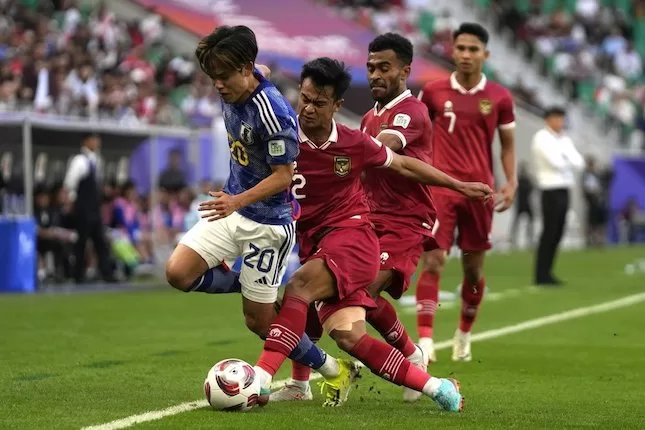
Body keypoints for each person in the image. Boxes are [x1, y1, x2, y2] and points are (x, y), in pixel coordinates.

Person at [201, 57, 491, 410]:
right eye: (304, 99)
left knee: (299, 288)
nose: (307, 108)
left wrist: (459, 185)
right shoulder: (283, 138)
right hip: (314, 244)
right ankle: (438, 388)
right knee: (349, 336)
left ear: (337, 105)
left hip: (353, 238)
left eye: (318, 103)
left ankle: (260, 378)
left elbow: (403, 164)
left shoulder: (354, 143)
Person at [164, 25, 353, 403]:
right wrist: (234, 202)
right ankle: (252, 286)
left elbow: (284, 176)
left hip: (268, 224)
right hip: (232, 207)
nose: (217, 85)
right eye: (212, 76)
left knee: (259, 322)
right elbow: (261, 68)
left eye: (224, 76)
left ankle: (334, 369)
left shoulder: (275, 115)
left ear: (244, 68)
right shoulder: (245, 75)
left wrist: (236, 201)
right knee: (177, 273)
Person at [269, 33, 436, 404]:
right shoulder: (367, 118)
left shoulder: (412, 111)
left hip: (403, 221)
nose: (375, 74)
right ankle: (300, 383)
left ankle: (411, 355)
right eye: (371, 67)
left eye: (384, 68)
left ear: (405, 71)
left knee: (358, 291)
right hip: (365, 218)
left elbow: (384, 151)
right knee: (314, 291)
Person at [417, 22, 517, 362]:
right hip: (440, 188)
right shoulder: (433, 92)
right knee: (433, 259)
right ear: (453, 51)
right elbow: (417, 134)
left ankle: (463, 333)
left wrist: (511, 180)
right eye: (460, 48)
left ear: (485, 55)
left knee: (473, 270)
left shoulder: (500, 97)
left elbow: (507, 145)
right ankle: (426, 340)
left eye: (473, 49)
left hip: (479, 192)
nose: (465, 55)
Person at [532, 106, 584, 285]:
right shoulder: (542, 138)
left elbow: (579, 162)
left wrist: (565, 158)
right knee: (550, 231)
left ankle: (549, 271)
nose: (561, 122)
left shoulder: (564, 139)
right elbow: (555, 163)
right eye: (557, 118)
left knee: (558, 232)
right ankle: (541, 274)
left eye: (562, 119)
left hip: (564, 188)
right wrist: (566, 158)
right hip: (550, 189)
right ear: (548, 119)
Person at [63, 133, 116, 284]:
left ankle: (106, 273)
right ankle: (77, 274)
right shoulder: (79, 160)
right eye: (94, 140)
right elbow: (70, 183)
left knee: (100, 241)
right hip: (83, 207)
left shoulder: (97, 160)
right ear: (86, 141)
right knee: (82, 242)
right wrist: (73, 203)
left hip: (94, 207)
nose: (97, 143)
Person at [510, 161, 535, 248]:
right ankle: (513, 240)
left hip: (525, 203)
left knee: (529, 222)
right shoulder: (519, 180)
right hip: (521, 204)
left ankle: (529, 239)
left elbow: (533, 188)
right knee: (516, 223)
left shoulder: (522, 180)